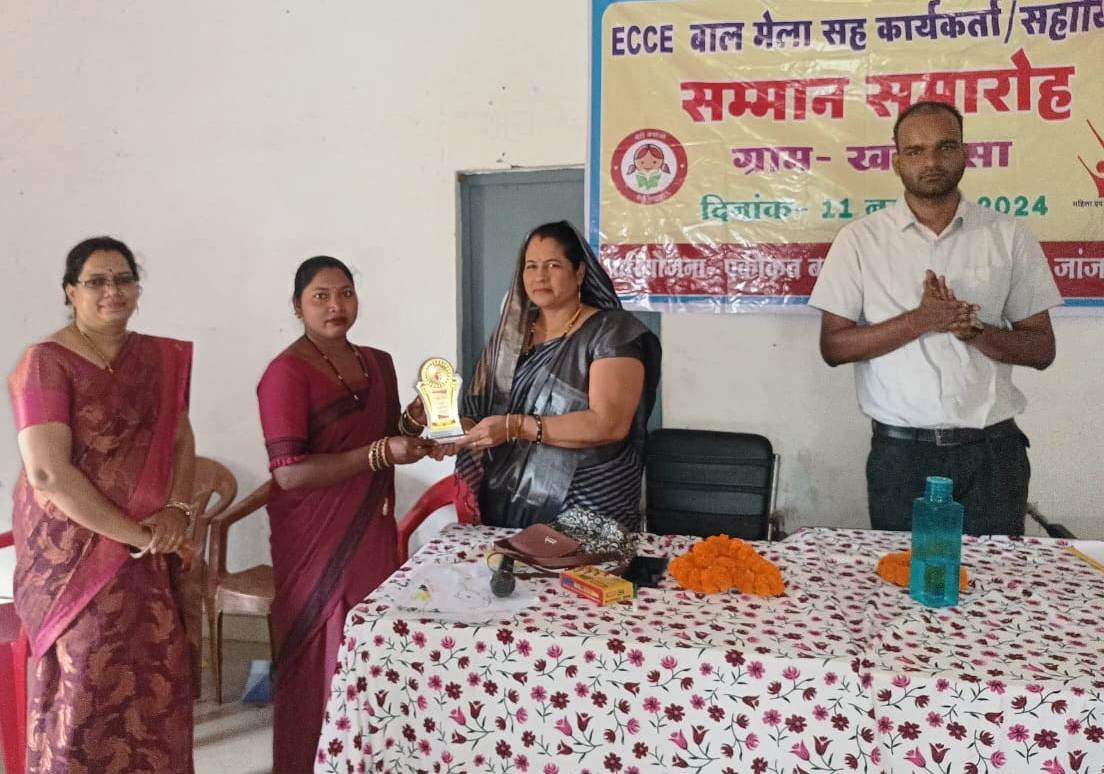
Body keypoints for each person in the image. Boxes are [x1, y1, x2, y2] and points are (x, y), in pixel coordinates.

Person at [809, 101, 1061, 536]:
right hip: (902, 457)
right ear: (897, 162)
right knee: (903, 575)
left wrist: (975, 331)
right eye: (915, 150)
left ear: (965, 153)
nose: (931, 161)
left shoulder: (1008, 235)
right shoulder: (860, 241)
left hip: (992, 453)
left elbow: (1042, 349)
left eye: (945, 147)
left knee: (992, 576)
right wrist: (920, 320)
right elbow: (834, 347)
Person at [9, 236, 196, 773]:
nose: (112, 290)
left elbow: (180, 439)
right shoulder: (44, 362)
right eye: (96, 281)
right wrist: (140, 537)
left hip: (148, 553)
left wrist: (178, 512)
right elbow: (48, 473)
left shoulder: (158, 358)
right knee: (85, 678)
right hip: (75, 557)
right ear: (71, 291)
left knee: (155, 673)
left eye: (123, 279)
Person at [256, 256, 432, 774]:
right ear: (297, 306)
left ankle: (369, 761)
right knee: (320, 655)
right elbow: (289, 473)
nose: (336, 305)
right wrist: (379, 454)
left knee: (370, 647)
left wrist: (417, 420)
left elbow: (386, 432)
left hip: (370, 529)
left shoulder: (378, 362)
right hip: (314, 539)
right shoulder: (285, 373)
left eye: (346, 293)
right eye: (321, 296)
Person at [412, 220, 661, 530]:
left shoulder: (611, 332)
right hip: (505, 508)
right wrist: (459, 434)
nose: (539, 276)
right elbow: (483, 412)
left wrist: (515, 426)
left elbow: (608, 424)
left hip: (588, 509)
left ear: (579, 272)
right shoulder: (510, 336)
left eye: (553, 265)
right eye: (531, 266)